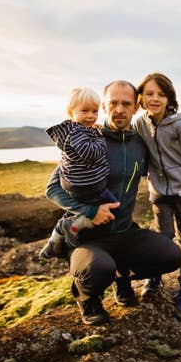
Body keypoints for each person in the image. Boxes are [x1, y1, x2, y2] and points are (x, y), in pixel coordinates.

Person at [44, 80, 181, 325]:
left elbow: (167, 163)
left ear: (136, 107)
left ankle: (122, 277)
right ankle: (87, 298)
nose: (119, 109)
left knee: (171, 256)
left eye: (126, 104)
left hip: (124, 231)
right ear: (104, 107)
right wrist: (90, 211)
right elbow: (53, 189)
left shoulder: (140, 144)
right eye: (113, 103)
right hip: (88, 237)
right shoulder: (85, 141)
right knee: (98, 270)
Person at [133, 72, 181, 318]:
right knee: (162, 239)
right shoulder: (139, 123)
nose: (155, 99)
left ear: (169, 98)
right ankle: (154, 278)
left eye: (161, 95)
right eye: (150, 94)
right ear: (141, 98)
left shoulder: (180, 126)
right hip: (159, 193)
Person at [39, 86, 117, 259]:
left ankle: (54, 241)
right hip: (85, 185)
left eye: (94, 111)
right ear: (71, 112)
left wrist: (94, 131)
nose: (90, 116)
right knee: (112, 208)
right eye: (84, 111)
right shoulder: (76, 132)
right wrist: (101, 137)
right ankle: (69, 227)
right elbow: (91, 152)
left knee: (78, 209)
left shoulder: (78, 130)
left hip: (80, 185)